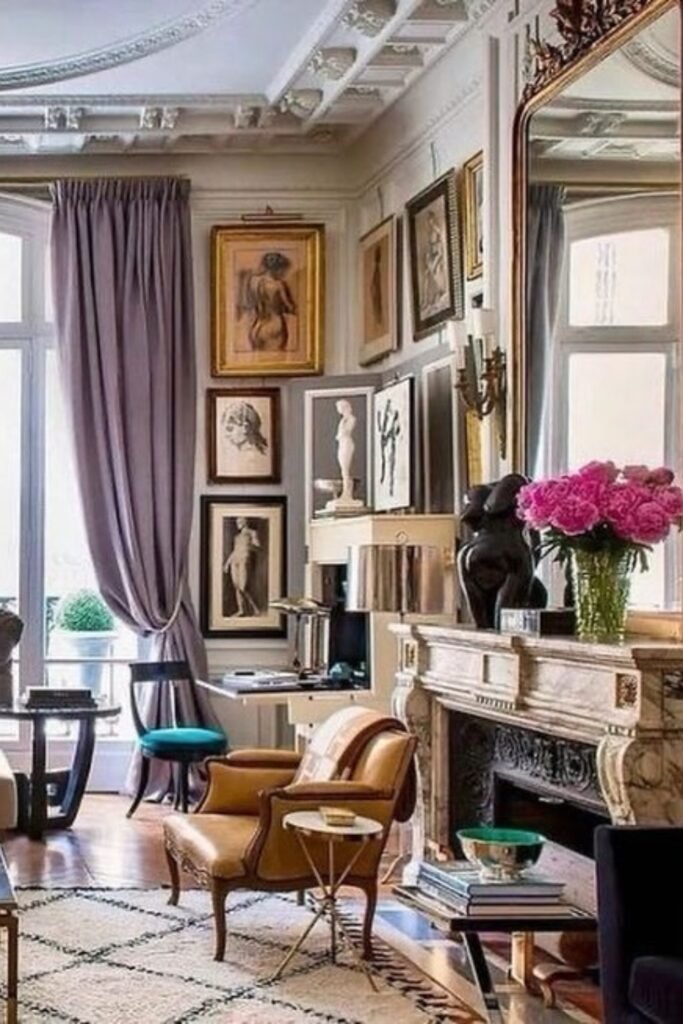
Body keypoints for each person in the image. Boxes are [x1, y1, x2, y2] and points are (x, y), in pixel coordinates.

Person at [239, 251, 297, 351]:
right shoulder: (278, 285)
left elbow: (249, 302)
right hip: (275, 326)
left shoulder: (253, 281)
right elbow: (289, 307)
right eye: (283, 270)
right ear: (277, 269)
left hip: (256, 327)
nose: (283, 273)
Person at [223, 518, 261, 617]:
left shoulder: (252, 533)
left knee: (242, 587)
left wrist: (249, 546)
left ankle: (255, 609)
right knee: (236, 586)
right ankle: (241, 610)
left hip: (244, 559)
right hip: (234, 561)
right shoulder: (237, 537)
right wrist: (227, 563)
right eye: (237, 523)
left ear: (245, 522)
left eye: (239, 522)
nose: (238, 524)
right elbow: (234, 551)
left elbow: (258, 547)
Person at [420, 209, 448, 317]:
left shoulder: (437, 230)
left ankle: (438, 294)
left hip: (437, 260)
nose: (429, 222)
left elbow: (439, 252)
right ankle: (425, 300)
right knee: (427, 276)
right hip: (433, 259)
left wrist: (435, 264)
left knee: (435, 274)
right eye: (428, 220)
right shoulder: (430, 232)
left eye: (430, 220)